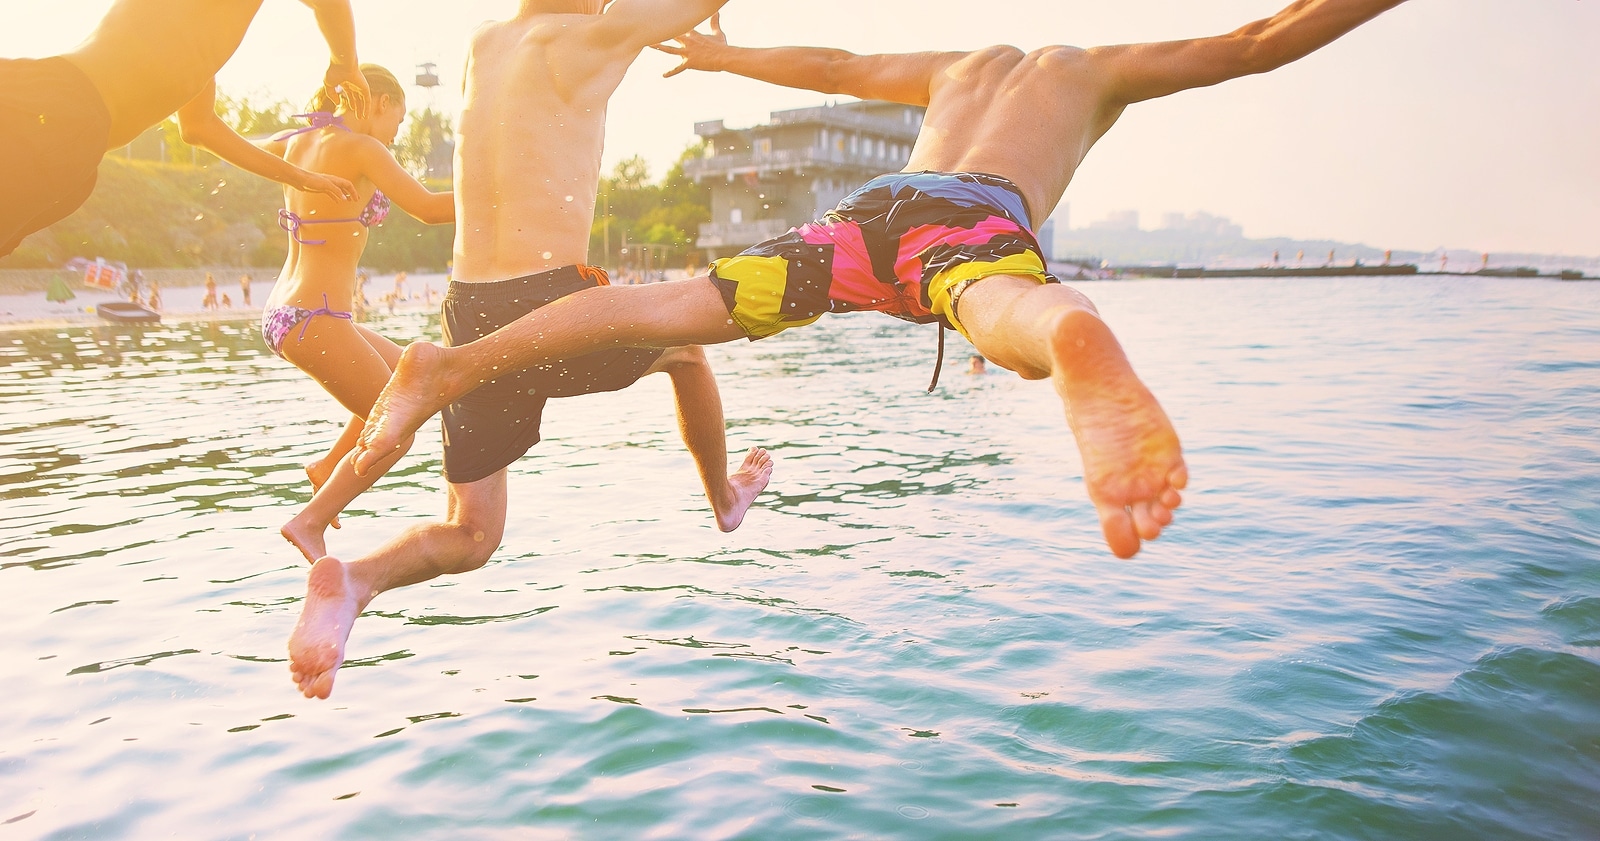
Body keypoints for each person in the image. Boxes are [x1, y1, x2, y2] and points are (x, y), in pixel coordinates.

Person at [355, 0, 1413, 565]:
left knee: (677, 306)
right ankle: (1071, 335)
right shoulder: (1095, 69)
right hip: (973, 216)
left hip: (871, 213)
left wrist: (729, 60)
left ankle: (450, 363)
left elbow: (831, 69)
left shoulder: (961, 64)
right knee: (998, 300)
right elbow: (1254, 42)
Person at [287, 0, 772, 701]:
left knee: (473, 534)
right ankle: (725, 499)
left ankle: (354, 579)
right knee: (689, 351)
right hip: (548, 301)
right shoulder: (593, 36)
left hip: (468, 309)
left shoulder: (484, 44)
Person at [257, 65, 454, 563]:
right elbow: (429, 209)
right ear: (379, 101)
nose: (397, 131)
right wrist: (505, 200)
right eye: (399, 118)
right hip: (313, 317)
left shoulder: (302, 138)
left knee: (415, 377)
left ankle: (328, 466)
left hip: (293, 311)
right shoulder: (364, 149)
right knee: (397, 429)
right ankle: (310, 521)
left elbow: (250, 147)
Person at [0, 0, 373, 259]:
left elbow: (199, 127)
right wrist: (345, 64)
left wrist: (298, 176)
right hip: (58, 111)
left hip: (69, 129)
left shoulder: (203, 34)